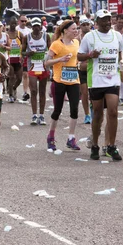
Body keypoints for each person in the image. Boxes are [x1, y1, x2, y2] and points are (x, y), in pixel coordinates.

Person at [78, 10, 123, 161]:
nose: (106, 23)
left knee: (113, 112)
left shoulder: (117, 36)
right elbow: (79, 55)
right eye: (103, 20)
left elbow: (120, 54)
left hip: (112, 80)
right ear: (97, 22)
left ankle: (111, 146)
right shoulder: (89, 37)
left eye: (108, 20)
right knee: (97, 114)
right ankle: (95, 145)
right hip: (96, 80)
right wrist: (90, 55)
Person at [44, 20, 81, 151]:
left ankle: (71, 138)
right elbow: (46, 62)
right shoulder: (56, 44)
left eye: (77, 29)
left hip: (74, 81)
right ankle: (51, 136)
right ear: (65, 30)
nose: (76, 31)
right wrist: (60, 59)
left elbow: (77, 59)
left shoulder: (76, 43)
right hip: (59, 81)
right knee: (57, 110)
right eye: (73, 29)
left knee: (75, 110)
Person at [22, 17, 51, 125]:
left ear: (41, 26)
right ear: (31, 27)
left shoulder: (46, 36)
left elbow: (51, 50)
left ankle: (42, 116)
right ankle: (34, 115)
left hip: (43, 66)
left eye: (37, 26)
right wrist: (28, 53)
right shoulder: (27, 37)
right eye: (34, 26)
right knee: (33, 91)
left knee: (42, 91)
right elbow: (22, 52)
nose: (36, 28)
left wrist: (47, 57)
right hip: (32, 67)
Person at [77, 17, 92, 124]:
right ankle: (87, 114)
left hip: (93, 68)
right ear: (80, 26)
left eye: (87, 24)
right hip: (81, 69)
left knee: (93, 93)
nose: (86, 26)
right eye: (84, 25)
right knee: (84, 93)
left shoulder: (94, 37)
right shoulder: (77, 39)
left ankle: (93, 111)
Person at [6, 17, 24, 103]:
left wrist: (23, 54)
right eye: (12, 23)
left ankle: (13, 88)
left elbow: (24, 44)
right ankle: (10, 95)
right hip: (9, 59)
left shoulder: (20, 34)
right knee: (11, 77)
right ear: (9, 23)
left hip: (18, 58)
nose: (13, 25)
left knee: (20, 78)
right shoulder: (6, 34)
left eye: (14, 23)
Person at [16, 15, 32, 101]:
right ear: (19, 21)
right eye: (22, 21)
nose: (24, 23)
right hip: (15, 55)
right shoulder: (16, 30)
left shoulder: (29, 31)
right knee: (16, 75)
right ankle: (12, 89)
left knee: (26, 74)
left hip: (25, 55)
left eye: (25, 21)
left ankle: (26, 92)